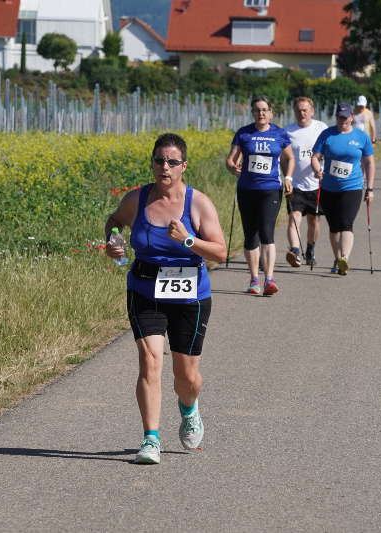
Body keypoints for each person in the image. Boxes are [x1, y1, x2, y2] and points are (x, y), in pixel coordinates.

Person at [105, 133, 227, 465]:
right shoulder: (138, 199)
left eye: (172, 161)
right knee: (150, 361)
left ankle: (189, 410)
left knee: (186, 377)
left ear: (184, 166)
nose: (165, 167)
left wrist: (188, 240)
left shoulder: (198, 203)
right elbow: (115, 222)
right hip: (145, 290)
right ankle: (150, 439)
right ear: (152, 164)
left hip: (190, 296)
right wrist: (114, 241)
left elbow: (220, 251)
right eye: (159, 160)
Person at [226, 96, 295, 295]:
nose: (261, 113)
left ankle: (270, 279)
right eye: (257, 110)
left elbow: (290, 158)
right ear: (253, 113)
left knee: (267, 232)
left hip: (270, 189)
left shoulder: (279, 134)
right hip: (247, 189)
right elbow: (231, 160)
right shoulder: (244, 133)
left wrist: (288, 177)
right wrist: (233, 168)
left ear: (270, 112)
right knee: (250, 236)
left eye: (264, 110)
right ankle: (254, 279)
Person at [311, 102, 375, 276]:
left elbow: (369, 162)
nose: (343, 120)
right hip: (329, 188)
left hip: (352, 187)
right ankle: (337, 258)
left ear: (352, 117)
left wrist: (370, 188)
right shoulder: (327, 135)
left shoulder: (361, 137)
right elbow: (315, 157)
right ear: (336, 117)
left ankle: (344, 258)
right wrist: (317, 170)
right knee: (334, 227)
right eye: (340, 117)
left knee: (346, 223)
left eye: (346, 117)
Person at [285, 96, 328, 267]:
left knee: (314, 221)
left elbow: (328, 149)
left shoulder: (321, 128)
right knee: (293, 217)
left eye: (305, 110)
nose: (301, 113)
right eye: (298, 110)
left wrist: (323, 169)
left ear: (312, 111)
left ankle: (310, 249)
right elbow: (283, 158)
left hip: (316, 184)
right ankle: (295, 251)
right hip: (296, 184)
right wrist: (285, 177)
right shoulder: (288, 131)